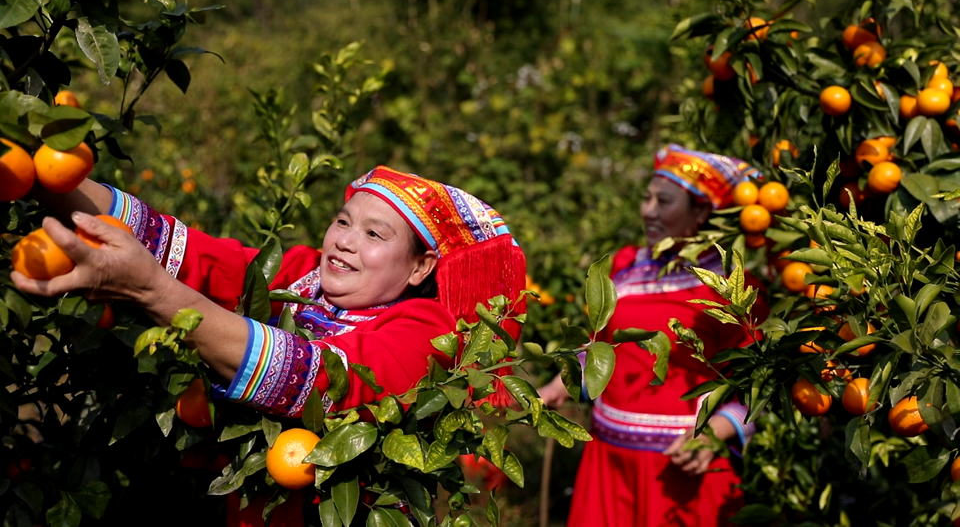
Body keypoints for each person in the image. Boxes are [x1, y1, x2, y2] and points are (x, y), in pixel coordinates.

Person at [13, 165, 526, 416]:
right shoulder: (301, 273)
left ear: (421, 267)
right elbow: (190, 253)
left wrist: (151, 291)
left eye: (374, 235)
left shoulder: (425, 335)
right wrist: (39, 174)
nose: (344, 242)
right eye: (343, 221)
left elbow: (318, 380)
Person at [539, 144, 769, 527]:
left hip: (685, 471)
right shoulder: (625, 266)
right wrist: (561, 382)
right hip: (610, 463)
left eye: (664, 202)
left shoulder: (734, 290)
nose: (648, 211)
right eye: (646, 198)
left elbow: (758, 385)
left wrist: (716, 432)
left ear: (701, 211)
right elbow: (604, 348)